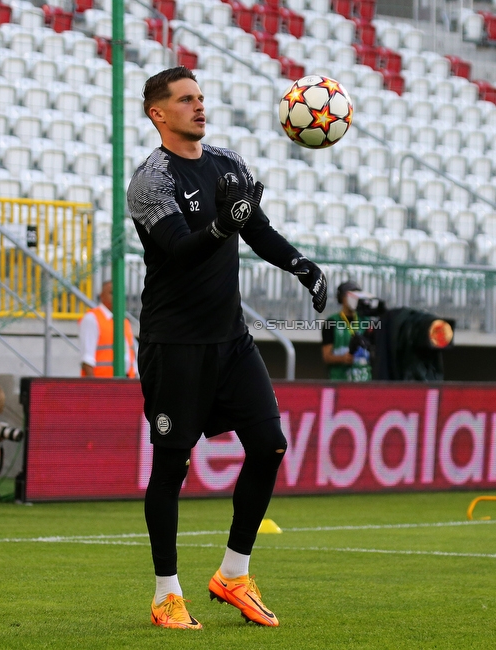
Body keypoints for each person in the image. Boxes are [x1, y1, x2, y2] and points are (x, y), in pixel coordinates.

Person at [127, 66, 328, 630]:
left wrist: (300, 264)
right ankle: (167, 594)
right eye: (185, 99)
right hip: (175, 344)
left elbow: (255, 228)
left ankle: (233, 574)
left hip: (231, 340)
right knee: (172, 465)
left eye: (201, 97)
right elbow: (178, 249)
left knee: (269, 445)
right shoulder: (151, 180)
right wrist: (221, 226)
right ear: (158, 113)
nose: (199, 106)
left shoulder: (227, 163)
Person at [78, 280, 137, 378]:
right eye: (112, 293)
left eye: (120, 293)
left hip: (126, 385)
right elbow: (87, 360)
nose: (117, 297)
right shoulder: (92, 318)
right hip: (104, 386)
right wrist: (95, 389)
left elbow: (132, 359)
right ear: (101, 296)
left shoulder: (124, 321)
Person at [321, 280, 372, 381]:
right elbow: (327, 357)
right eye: (351, 295)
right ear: (342, 298)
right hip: (340, 381)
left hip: (365, 380)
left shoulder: (367, 321)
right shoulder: (331, 322)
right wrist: (343, 358)